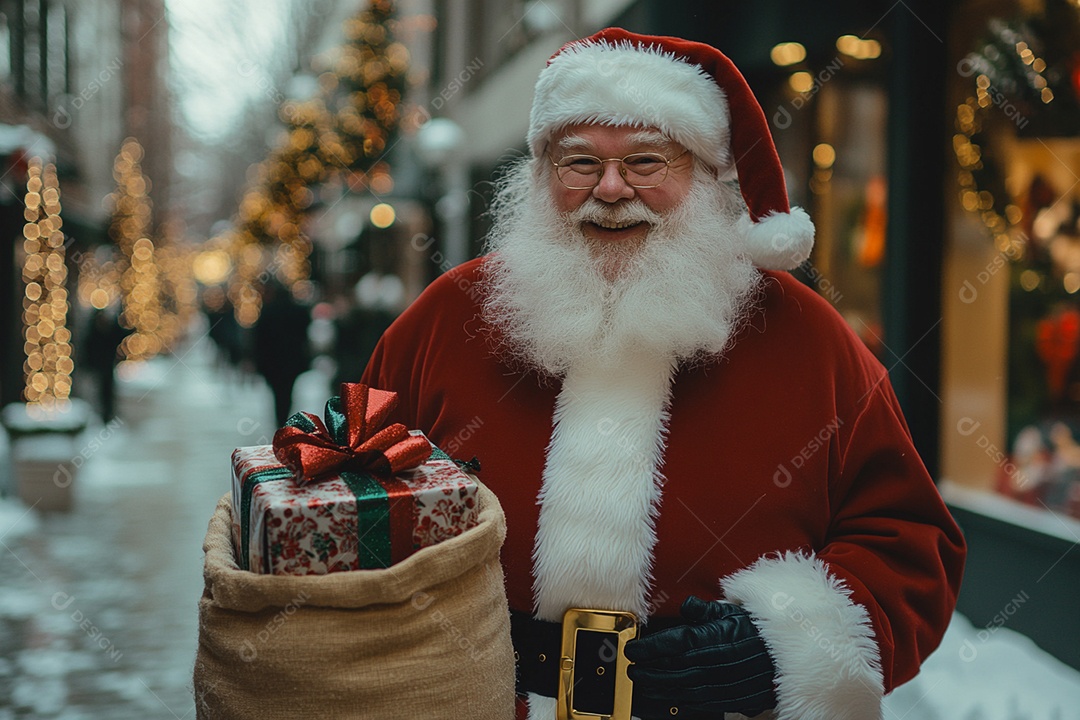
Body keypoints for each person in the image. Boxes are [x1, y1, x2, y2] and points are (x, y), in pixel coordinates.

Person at [363, 28, 965, 720]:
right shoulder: (448, 319)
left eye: (647, 161)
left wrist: (782, 647)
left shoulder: (808, 338)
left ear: (707, 177)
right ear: (540, 176)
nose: (612, 189)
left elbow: (913, 544)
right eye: (579, 162)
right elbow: (350, 492)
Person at [253, 280, 312, 426]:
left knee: (277, 394)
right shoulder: (298, 311)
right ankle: (285, 419)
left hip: (272, 361)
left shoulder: (268, 312)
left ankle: (280, 420)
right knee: (287, 392)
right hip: (292, 360)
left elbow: (259, 339)